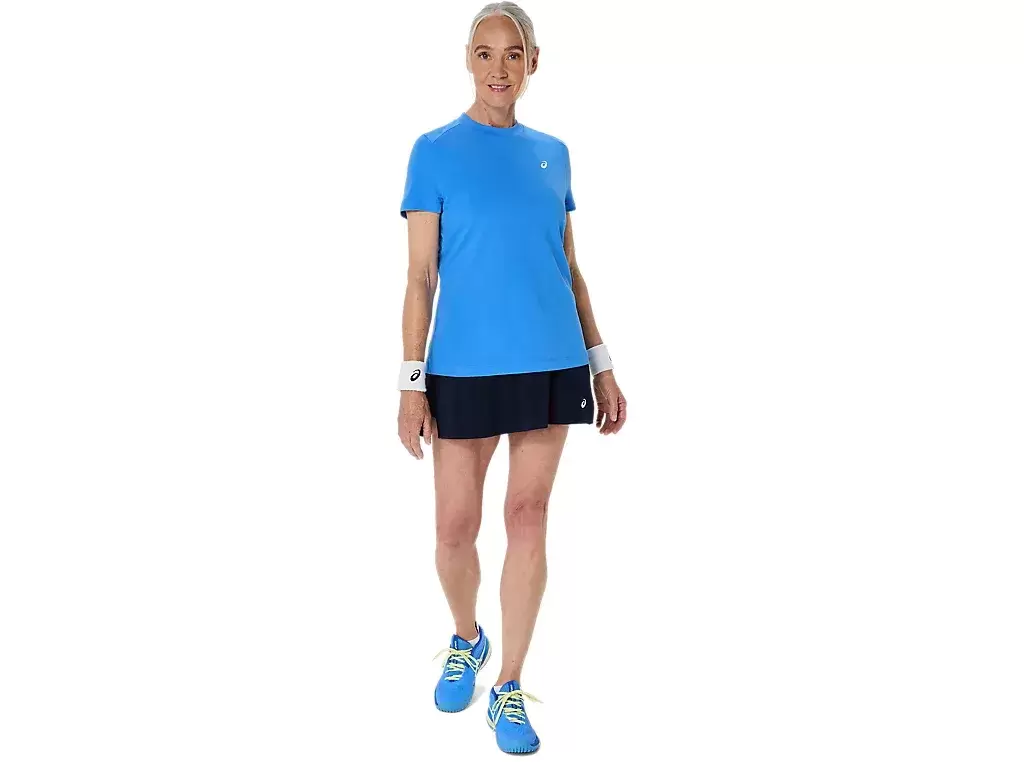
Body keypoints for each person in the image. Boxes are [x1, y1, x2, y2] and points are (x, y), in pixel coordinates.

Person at [395, 2, 627, 755]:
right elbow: (421, 277)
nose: (500, 68)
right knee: (453, 529)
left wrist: (602, 363)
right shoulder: (433, 151)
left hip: (551, 359)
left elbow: (570, 267)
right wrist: (411, 381)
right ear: (468, 60)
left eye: (514, 53)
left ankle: (510, 685)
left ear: (533, 63)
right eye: (486, 52)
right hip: (462, 366)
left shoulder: (553, 154)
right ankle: (467, 638)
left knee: (528, 516)